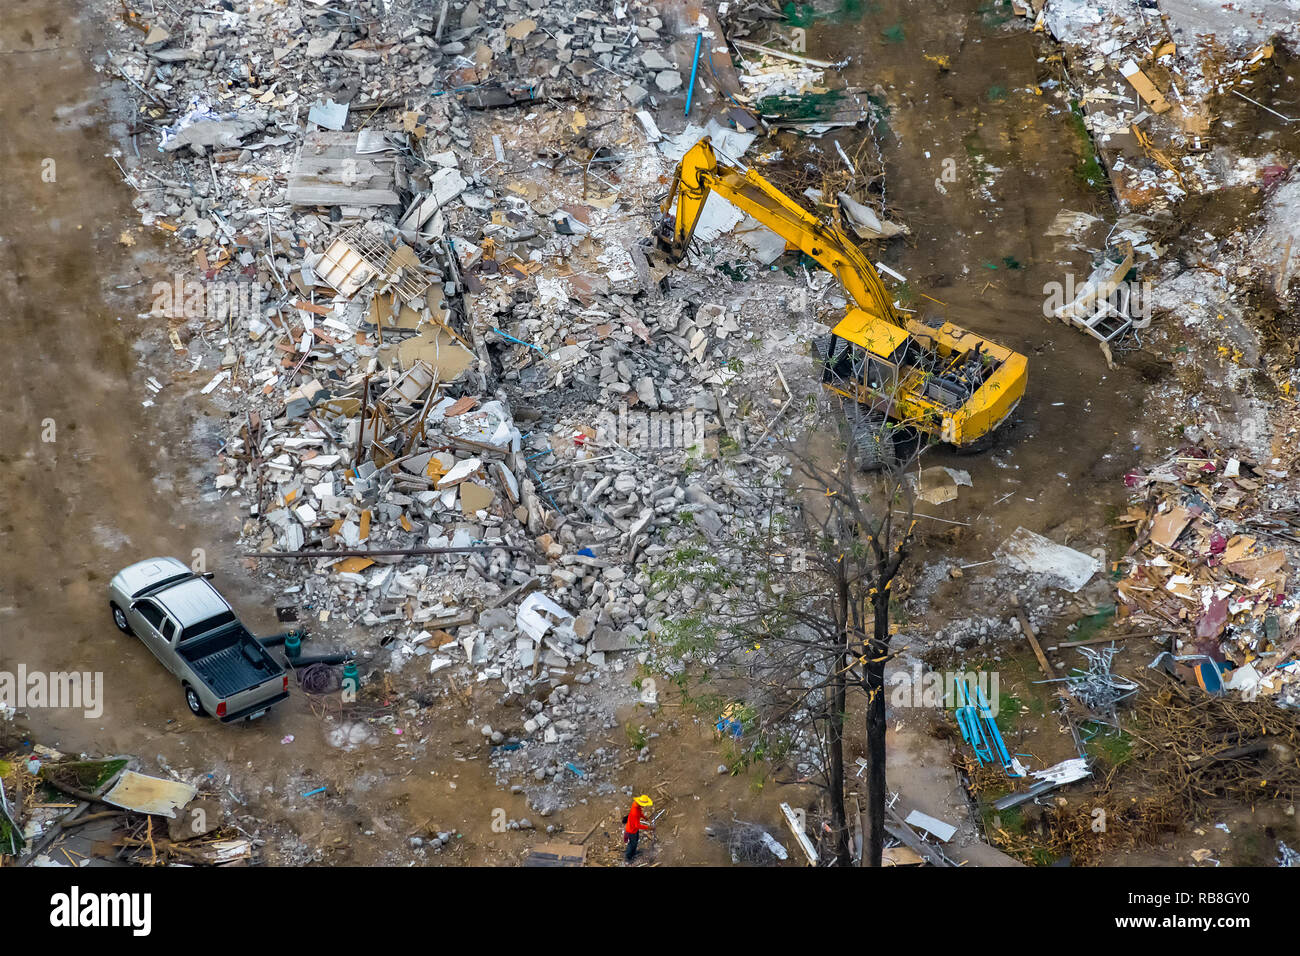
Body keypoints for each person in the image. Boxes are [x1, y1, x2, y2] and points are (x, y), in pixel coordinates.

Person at [623, 794, 654, 861]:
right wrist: (648, 828)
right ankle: (628, 857)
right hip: (631, 830)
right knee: (632, 843)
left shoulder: (636, 804)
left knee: (635, 841)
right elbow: (637, 825)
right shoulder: (635, 812)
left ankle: (633, 852)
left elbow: (640, 813)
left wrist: (645, 818)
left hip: (633, 828)